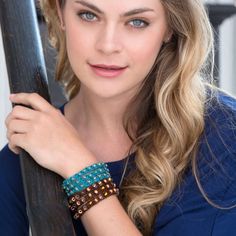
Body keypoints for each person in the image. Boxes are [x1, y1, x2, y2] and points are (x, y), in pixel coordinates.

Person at [0, 0, 236, 235]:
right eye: (88, 15)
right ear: (59, 12)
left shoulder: (225, 136)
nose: (108, 45)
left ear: (169, 28)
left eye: (136, 22)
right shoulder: (22, 157)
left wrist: (79, 167)